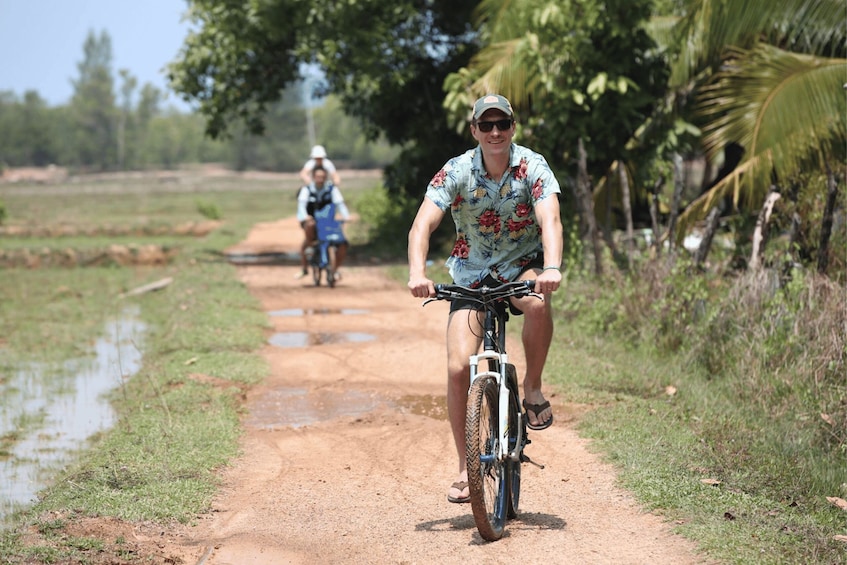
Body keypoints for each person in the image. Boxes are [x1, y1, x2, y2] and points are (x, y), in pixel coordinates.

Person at [407, 94, 563, 504]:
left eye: (503, 124)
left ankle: (531, 387)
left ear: (513, 128)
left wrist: (552, 268)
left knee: (537, 303)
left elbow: (551, 219)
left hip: (520, 268)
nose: (495, 132)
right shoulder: (456, 170)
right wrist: (417, 273)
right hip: (471, 276)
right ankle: (465, 467)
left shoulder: (533, 166)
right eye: (487, 125)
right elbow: (422, 223)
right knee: (459, 367)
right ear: (474, 130)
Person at [295, 166, 351, 279]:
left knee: (342, 243)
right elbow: (301, 206)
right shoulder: (307, 190)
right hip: (311, 221)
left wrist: (346, 216)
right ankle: (311, 247)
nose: (320, 178)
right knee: (310, 226)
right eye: (317, 176)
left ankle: (335, 269)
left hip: (328, 222)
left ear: (326, 177)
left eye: (322, 176)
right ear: (313, 177)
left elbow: (340, 204)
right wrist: (305, 217)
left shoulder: (332, 189)